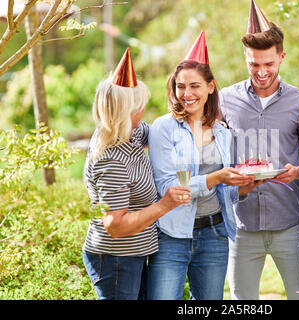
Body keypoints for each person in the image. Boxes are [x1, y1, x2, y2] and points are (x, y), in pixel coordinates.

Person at [147, 31, 259, 300]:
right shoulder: (163, 128)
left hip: (214, 234)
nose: (187, 94)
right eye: (181, 86)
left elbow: (225, 193)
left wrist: (244, 186)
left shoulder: (223, 133)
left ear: (210, 87)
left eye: (195, 86)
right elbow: (168, 188)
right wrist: (216, 177)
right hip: (172, 235)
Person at [220, 0, 299, 300]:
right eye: (254, 64)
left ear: (282, 57)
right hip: (242, 224)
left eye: (268, 64)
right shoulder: (224, 100)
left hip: (289, 222)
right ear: (245, 58)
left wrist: (298, 171)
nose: (261, 72)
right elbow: (212, 156)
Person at [82, 48, 190, 300]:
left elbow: (160, 137)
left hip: (134, 254)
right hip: (116, 259)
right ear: (124, 112)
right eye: (139, 106)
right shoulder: (111, 159)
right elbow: (115, 226)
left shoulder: (130, 133)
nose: (143, 109)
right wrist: (165, 205)